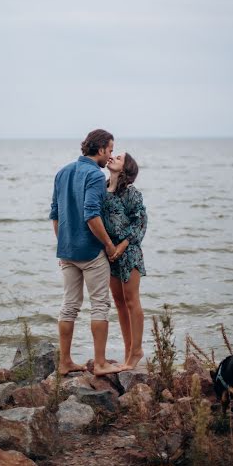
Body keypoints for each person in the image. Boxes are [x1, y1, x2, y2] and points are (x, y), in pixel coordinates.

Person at [49, 129, 122, 376]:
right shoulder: (94, 174)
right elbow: (92, 215)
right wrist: (110, 247)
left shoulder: (62, 172)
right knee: (100, 304)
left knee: (69, 306)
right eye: (110, 150)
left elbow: (55, 215)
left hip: (67, 251)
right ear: (100, 149)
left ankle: (65, 362)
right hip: (90, 252)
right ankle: (100, 363)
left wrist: (63, 246)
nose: (110, 155)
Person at [102, 152, 148, 369]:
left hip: (129, 253)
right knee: (119, 302)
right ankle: (129, 349)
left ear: (125, 169)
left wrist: (122, 245)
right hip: (110, 254)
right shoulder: (102, 189)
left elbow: (140, 222)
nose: (111, 157)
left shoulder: (131, 193)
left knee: (131, 300)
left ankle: (136, 351)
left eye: (118, 158)